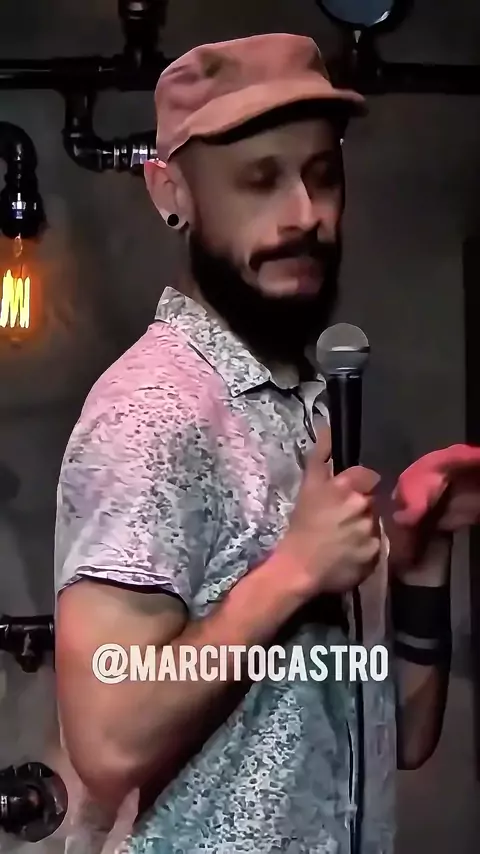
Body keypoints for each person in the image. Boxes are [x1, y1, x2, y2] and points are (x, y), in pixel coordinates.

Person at [53, 33, 480, 854]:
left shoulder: (299, 411)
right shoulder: (151, 413)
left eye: (323, 176)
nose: (305, 214)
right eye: (260, 180)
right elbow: (104, 746)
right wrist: (292, 574)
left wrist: (421, 562)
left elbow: (396, 736)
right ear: (172, 190)